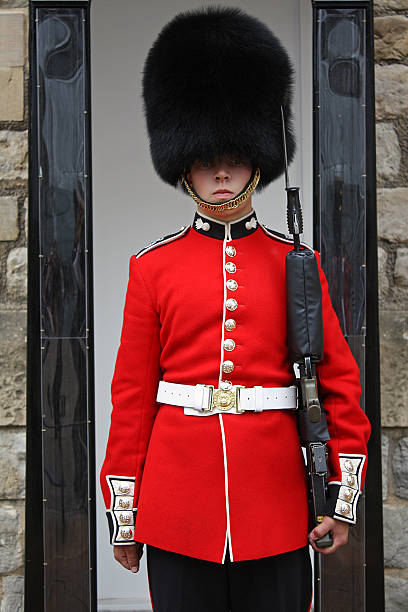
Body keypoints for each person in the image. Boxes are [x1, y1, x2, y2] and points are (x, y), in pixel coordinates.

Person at [100, 7, 371, 611]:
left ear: (258, 160)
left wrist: (338, 498)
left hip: (274, 504)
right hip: (177, 506)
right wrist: (125, 513)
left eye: (235, 156)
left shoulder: (295, 263)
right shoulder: (152, 268)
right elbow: (133, 397)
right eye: (204, 158)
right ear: (185, 167)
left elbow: (339, 386)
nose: (221, 170)